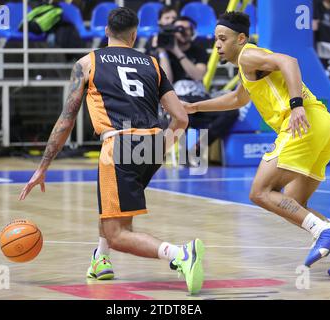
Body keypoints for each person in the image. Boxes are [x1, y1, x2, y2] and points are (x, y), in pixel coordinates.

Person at [18, 7, 205, 294]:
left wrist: (42, 167)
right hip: (153, 142)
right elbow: (181, 118)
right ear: (133, 36)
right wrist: (160, 149)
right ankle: (100, 259)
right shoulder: (153, 63)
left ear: (106, 31)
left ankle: (179, 254)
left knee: (118, 234)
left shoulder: (87, 62)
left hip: (120, 142)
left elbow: (66, 120)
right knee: (112, 206)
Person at [183, 11, 330, 276]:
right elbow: (237, 100)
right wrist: (195, 106)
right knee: (295, 205)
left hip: (302, 124)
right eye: (216, 40)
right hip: (325, 127)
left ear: (241, 38)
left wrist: (295, 105)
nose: (217, 46)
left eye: (223, 39)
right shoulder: (247, 67)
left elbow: (288, 60)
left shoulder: (248, 54)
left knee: (259, 192)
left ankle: (327, 231)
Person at [148, 15, 239, 166]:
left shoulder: (198, 49)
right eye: (178, 29)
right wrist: (164, 52)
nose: (182, 32)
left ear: (192, 32)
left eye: (186, 29)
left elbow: (198, 75)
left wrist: (178, 52)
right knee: (180, 112)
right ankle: (183, 154)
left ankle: (198, 146)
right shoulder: (163, 53)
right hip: (179, 100)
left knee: (231, 112)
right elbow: (167, 80)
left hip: (200, 99)